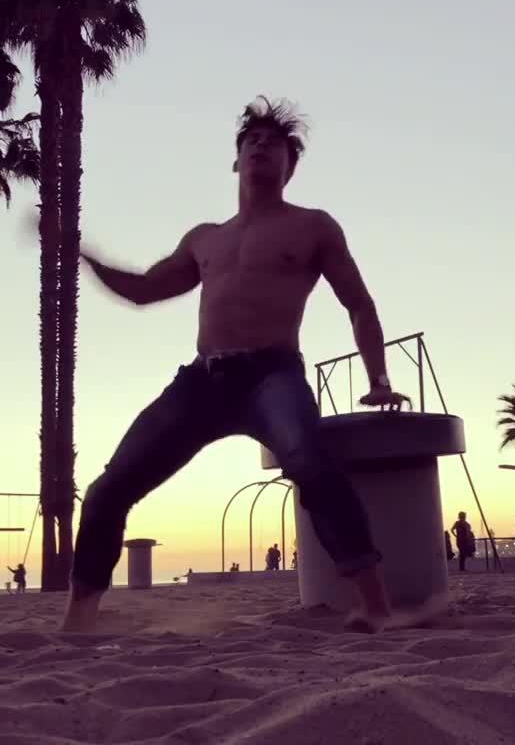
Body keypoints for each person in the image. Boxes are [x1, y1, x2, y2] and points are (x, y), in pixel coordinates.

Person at [61, 97, 410, 634]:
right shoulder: (205, 238)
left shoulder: (313, 226)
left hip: (273, 374)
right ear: (236, 160)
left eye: (275, 143)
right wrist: (83, 256)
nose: (262, 146)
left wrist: (378, 379)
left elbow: (359, 304)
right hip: (202, 380)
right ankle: (79, 619)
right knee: (110, 487)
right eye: (252, 140)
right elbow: (144, 290)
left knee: (311, 465)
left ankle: (375, 607)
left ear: (291, 166)